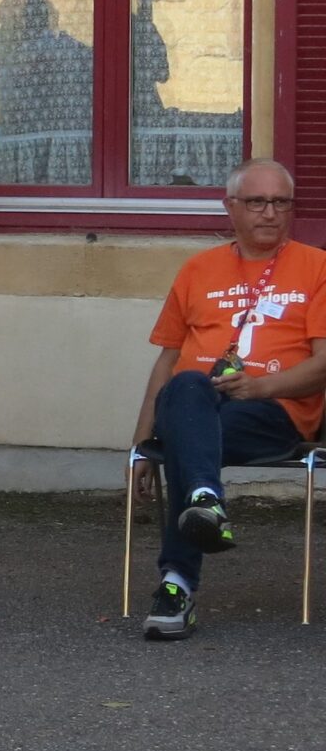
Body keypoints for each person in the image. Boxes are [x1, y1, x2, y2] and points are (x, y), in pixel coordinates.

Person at [128, 160, 326, 640]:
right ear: (230, 207)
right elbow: (166, 362)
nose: (270, 213)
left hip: (275, 414)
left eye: (281, 202)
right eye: (257, 202)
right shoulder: (198, 269)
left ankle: (176, 587)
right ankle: (205, 501)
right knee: (187, 384)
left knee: (186, 441)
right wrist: (139, 445)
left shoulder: (317, 266)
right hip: (201, 407)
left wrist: (258, 387)